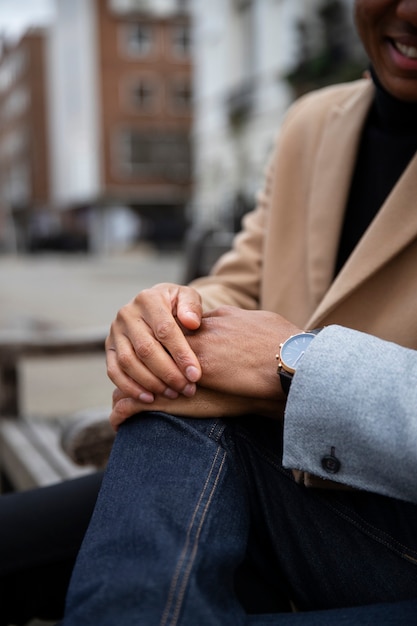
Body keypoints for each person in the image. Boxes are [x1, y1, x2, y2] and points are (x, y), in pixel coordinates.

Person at [59, 0, 417, 623]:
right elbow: (239, 280)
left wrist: (296, 368)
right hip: (291, 491)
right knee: (180, 387)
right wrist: (171, 318)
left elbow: (267, 357)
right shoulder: (312, 122)